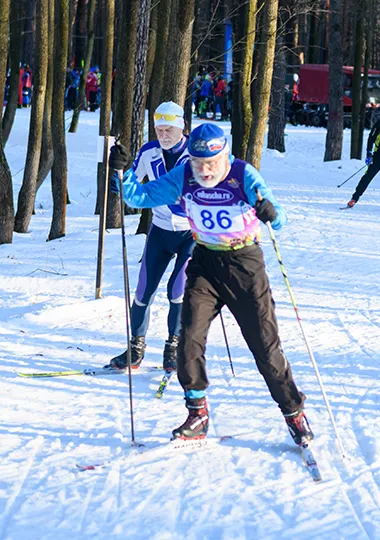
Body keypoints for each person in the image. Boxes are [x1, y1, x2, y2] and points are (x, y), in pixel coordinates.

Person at [111, 122, 314, 445]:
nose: (205, 171)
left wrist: (270, 213)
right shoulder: (184, 176)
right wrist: (121, 173)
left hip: (244, 264)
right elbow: (140, 196)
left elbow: (280, 218)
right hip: (205, 262)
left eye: (212, 164)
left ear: (224, 156)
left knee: (263, 344)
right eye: (198, 163)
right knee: (188, 339)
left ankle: (293, 412)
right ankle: (197, 413)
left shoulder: (243, 174)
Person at [106, 102, 195, 373]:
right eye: (159, 129)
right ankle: (136, 347)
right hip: (160, 229)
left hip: (190, 232)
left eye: (169, 129)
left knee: (178, 290)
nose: (164, 135)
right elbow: (128, 183)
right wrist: (118, 172)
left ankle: (174, 346)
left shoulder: (194, 153)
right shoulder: (149, 152)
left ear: (181, 128)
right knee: (144, 289)